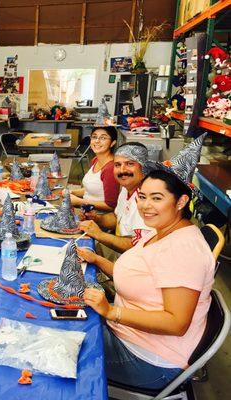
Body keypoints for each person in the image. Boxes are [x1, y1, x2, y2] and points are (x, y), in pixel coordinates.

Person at [78, 168, 214, 390]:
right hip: (130, 335)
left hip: (147, 358)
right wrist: (97, 260)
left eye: (157, 198)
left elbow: (176, 323)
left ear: (181, 201)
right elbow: (141, 278)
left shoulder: (182, 250)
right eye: (142, 197)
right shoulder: (162, 230)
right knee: (66, 313)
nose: (145, 205)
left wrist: (112, 312)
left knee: (61, 340)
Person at [79, 142, 153, 253]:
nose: (122, 170)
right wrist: (97, 219)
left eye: (129, 164)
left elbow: (138, 246)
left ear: (143, 168)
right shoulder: (126, 189)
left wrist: (100, 235)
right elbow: (117, 217)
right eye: (117, 165)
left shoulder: (147, 199)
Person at [69, 126, 119, 211]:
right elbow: (94, 189)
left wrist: (78, 201)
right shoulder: (95, 160)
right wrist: (72, 192)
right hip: (85, 209)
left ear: (112, 143)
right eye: (94, 137)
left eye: (103, 138)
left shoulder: (110, 168)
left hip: (98, 216)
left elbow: (111, 206)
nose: (97, 141)